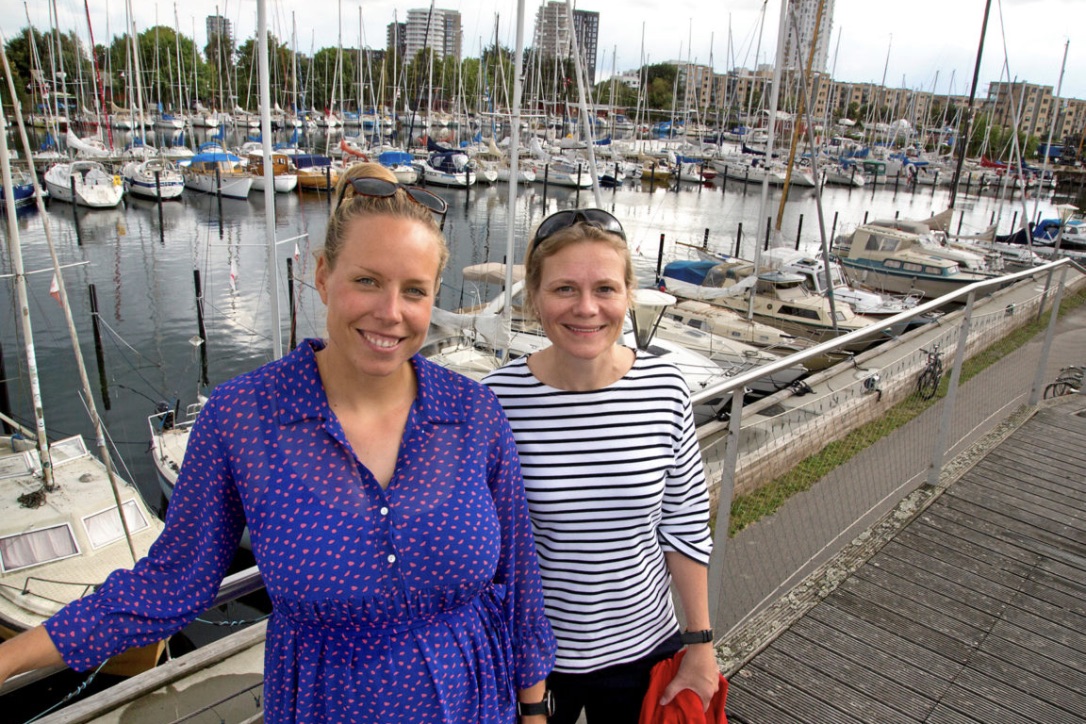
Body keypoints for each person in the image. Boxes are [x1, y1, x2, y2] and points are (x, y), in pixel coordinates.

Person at [0, 163, 556, 723]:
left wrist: (533, 710)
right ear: (322, 275)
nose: (390, 312)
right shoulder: (244, 418)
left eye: (414, 291)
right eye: (367, 280)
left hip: (474, 701)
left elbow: (519, 574)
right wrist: (9, 658)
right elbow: (170, 583)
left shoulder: (473, 412)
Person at [482, 209, 721, 723]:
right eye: (565, 288)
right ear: (535, 296)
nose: (586, 308)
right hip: (533, 663)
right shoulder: (496, 401)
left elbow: (684, 525)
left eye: (605, 289)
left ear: (628, 294)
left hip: (644, 649)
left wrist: (700, 644)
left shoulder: (664, 387)